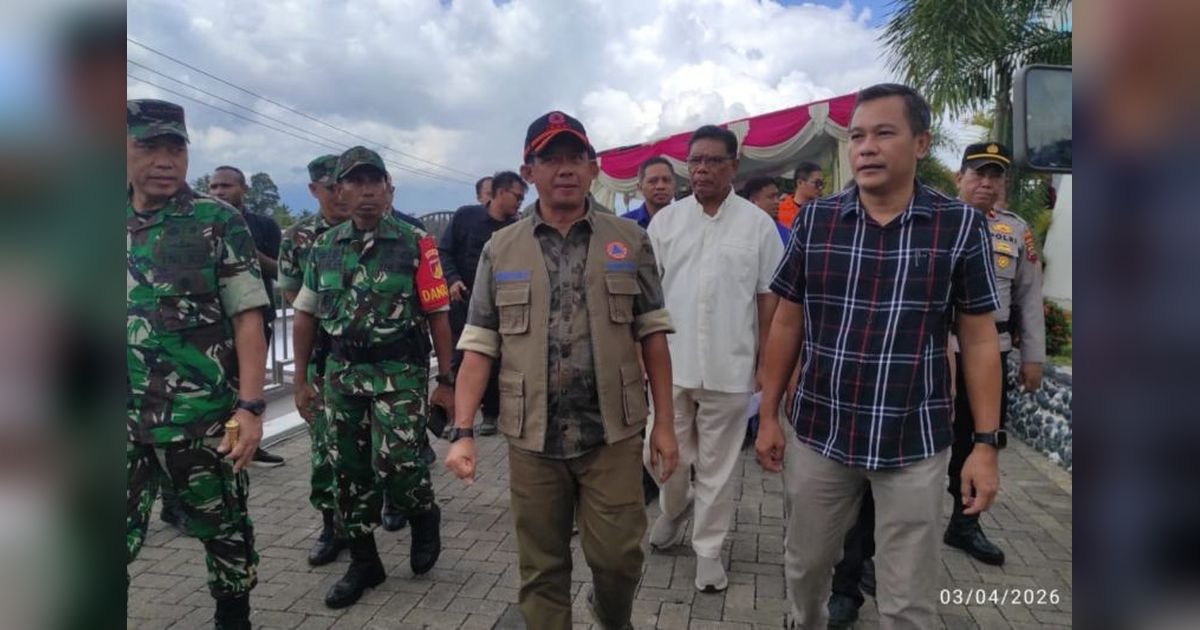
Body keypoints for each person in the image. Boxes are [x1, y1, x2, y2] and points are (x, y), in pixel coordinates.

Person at [754, 83, 1004, 629]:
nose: (866, 147)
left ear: (921, 143)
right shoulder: (817, 221)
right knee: (806, 566)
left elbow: (980, 339)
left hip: (914, 438)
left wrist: (985, 445)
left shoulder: (959, 226)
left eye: (884, 133)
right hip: (821, 431)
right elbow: (788, 321)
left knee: (908, 596)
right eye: (858, 136)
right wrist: (768, 413)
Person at [445, 111, 680, 630]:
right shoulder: (501, 248)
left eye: (576, 157)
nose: (565, 168)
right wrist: (463, 432)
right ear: (529, 172)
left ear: (594, 168)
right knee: (542, 568)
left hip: (611, 434)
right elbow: (479, 344)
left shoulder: (629, 240)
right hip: (533, 437)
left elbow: (653, 335)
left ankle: (611, 615)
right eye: (551, 158)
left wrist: (664, 423)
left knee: (619, 558)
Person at [291, 146, 456, 609]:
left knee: (398, 461)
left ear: (387, 189)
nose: (365, 191)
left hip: (399, 372)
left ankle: (423, 513)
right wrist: (302, 379)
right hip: (342, 373)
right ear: (339, 190)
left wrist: (446, 380)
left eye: (373, 181)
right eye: (355, 182)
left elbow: (438, 314)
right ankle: (365, 562)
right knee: (348, 470)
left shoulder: (416, 242)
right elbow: (305, 314)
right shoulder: (324, 246)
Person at [126, 98, 267, 630]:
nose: (165, 161)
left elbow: (248, 317)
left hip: (200, 418)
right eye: (149, 147)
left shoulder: (216, 220)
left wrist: (251, 408)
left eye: (175, 148)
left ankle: (234, 619)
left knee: (224, 531)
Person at [646, 125, 784, 593]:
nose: (701, 169)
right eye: (695, 161)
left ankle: (707, 551)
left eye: (712, 161)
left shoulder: (758, 226)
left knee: (717, 467)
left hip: (731, 364)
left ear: (734, 166)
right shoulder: (665, 224)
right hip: (670, 363)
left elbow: (768, 299)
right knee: (660, 455)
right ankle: (674, 507)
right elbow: (647, 297)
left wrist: (766, 363)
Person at [946, 141, 1046, 565]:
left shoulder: (1016, 231)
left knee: (979, 438)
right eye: (978, 174)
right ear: (960, 177)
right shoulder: (935, 220)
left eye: (995, 175)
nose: (986, 183)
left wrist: (1033, 357)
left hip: (991, 352)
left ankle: (964, 524)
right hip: (936, 349)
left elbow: (1029, 296)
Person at [277, 154, 353, 566]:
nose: (340, 194)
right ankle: (332, 526)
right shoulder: (300, 237)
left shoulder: (372, 226)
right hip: (323, 355)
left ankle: (394, 505)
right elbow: (291, 290)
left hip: (370, 357)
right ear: (313, 190)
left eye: (345, 184)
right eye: (330, 188)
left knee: (378, 445)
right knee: (325, 446)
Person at [208, 165, 286, 468]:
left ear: (244, 189)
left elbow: (281, 271)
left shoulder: (264, 225)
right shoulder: (203, 223)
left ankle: (253, 442)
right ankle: (218, 445)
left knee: (251, 382)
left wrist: (247, 254)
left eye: (226, 186)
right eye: (214, 187)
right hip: (213, 323)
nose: (219, 192)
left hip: (254, 316)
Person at [438, 171, 527, 436]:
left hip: (498, 307)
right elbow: (444, 252)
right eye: (517, 197)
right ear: (500, 192)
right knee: (457, 360)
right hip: (462, 303)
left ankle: (490, 414)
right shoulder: (465, 216)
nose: (519, 203)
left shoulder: (516, 230)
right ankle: (451, 418)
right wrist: (452, 279)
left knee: (494, 359)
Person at [620, 156, 675, 229]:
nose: (660, 186)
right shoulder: (624, 224)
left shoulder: (685, 218)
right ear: (640, 188)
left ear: (674, 185)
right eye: (653, 181)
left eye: (666, 180)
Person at [740, 175, 791, 244]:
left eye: (777, 196)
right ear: (753, 201)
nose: (777, 201)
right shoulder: (737, 232)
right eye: (771, 197)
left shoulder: (786, 234)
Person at [777, 161, 823, 229]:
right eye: (817, 183)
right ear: (800, 183)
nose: (820, 187)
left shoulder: (823, 210)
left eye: (822, 183)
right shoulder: (780, 211)